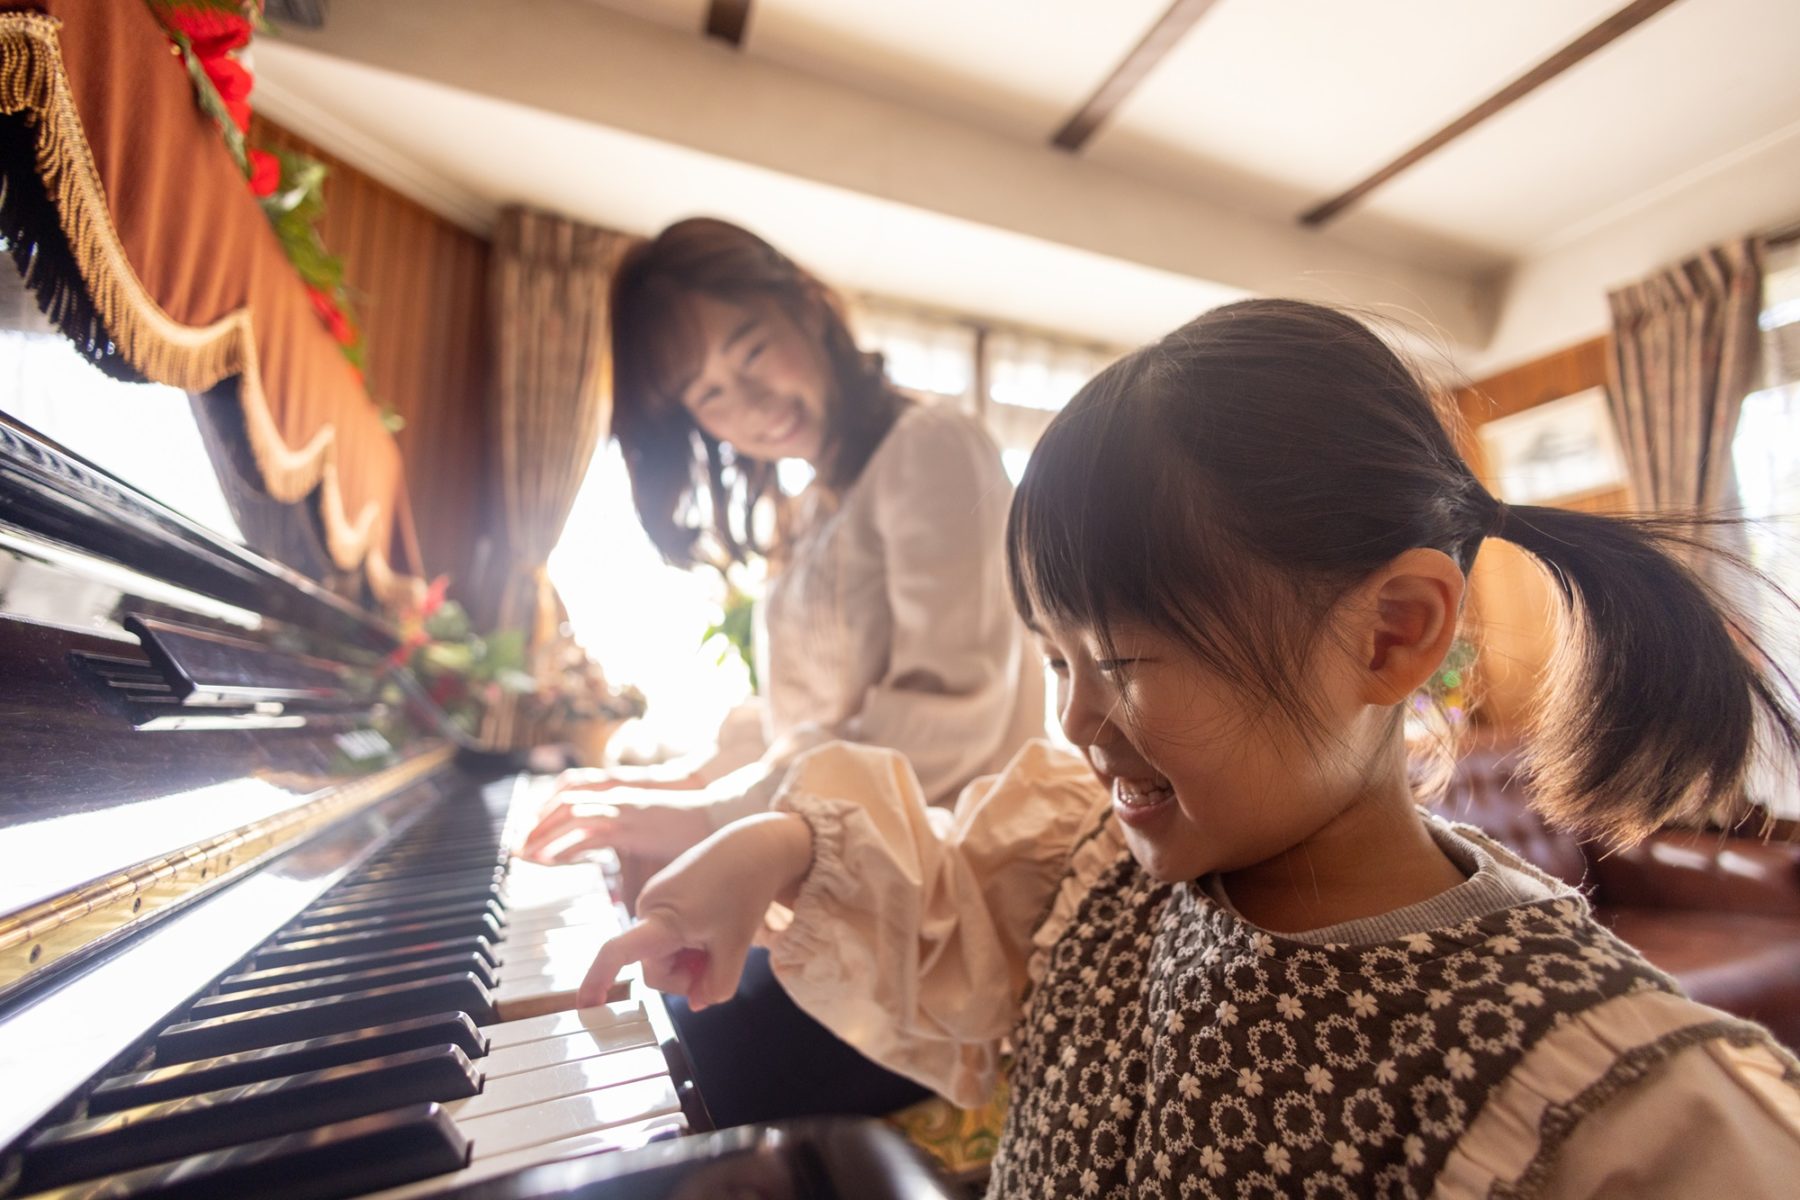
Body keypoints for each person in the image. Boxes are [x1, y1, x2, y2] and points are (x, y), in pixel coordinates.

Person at [581, 300, 1800, 1196]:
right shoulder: (1088, 867)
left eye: (1117, 662)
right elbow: (936, 884)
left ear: (1392, 634)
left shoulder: (1602, 1104)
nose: (1070, 720)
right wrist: (769, 848)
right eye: (1055, 660)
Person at [521, 217, 1046, 1124]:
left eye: (752, 350)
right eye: (710, 394)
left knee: (671, 1061)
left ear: (807, 307)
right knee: (647, 1007)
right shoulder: (811, 508)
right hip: (850, 878)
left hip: (941, 909)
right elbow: (801, 718)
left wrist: (712, 815)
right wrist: (678, 783)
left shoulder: (931, 446)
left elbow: (946, 715)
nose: (748, 402)